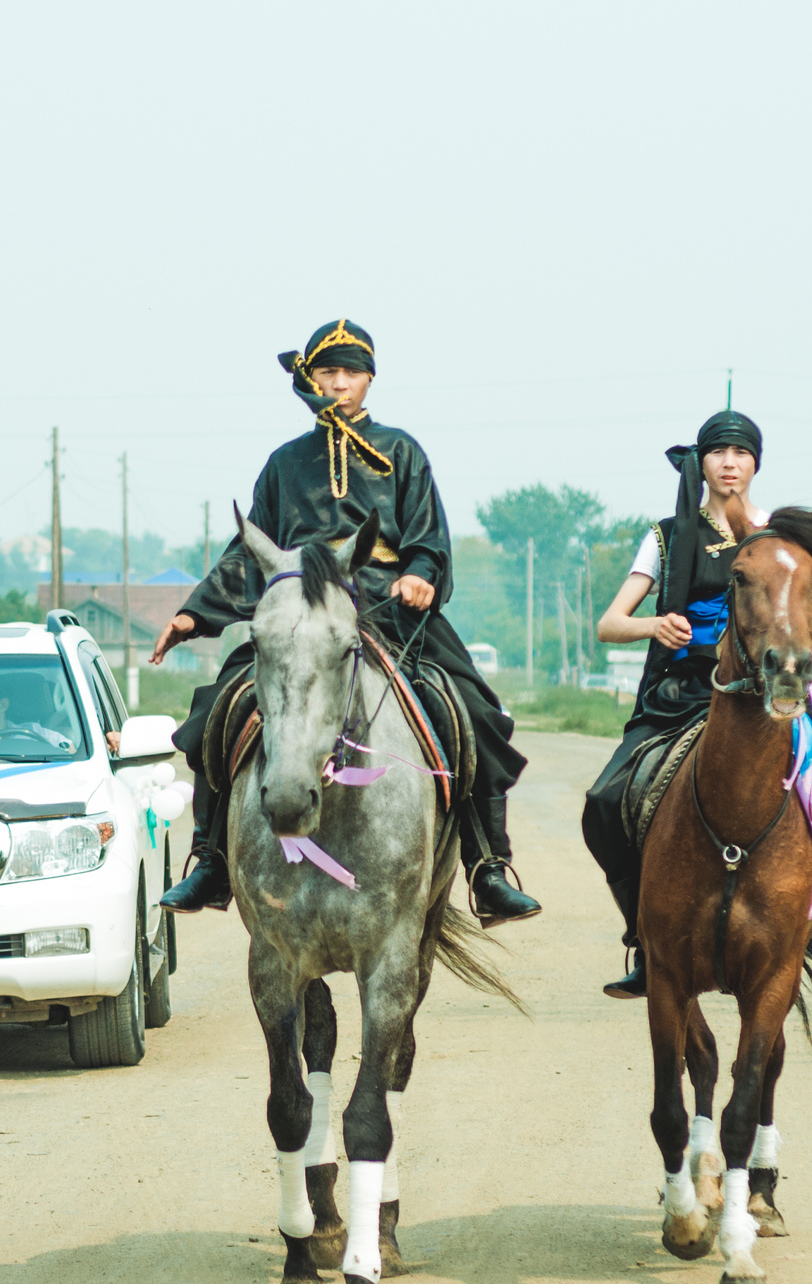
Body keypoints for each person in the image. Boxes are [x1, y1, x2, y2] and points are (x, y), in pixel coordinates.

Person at [151, 319, 540, 924]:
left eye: (351, 373)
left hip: (387, 608)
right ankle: (209, 860)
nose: (339, 384)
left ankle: (488, 866)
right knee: (217, 709)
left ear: (369, 379)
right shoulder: (284, 464)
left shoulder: (402, 452)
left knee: (475, 712)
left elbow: (429, 538)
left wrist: (422, 573)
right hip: (299, 611)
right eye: (327, 372)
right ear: (309, 379)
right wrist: (191, 613)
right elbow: (252, 550)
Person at [582, 410, 812, 998]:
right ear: (701, 463)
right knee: (604, 802)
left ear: (756, 463)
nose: (730, 463)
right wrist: (656, 626)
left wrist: (798, 636)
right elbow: (609, 624)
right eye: (718, 453)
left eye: (742, 453)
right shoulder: (667, 536)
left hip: (770, 690)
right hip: (686, 692)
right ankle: (644, 939)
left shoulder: (782, 539)